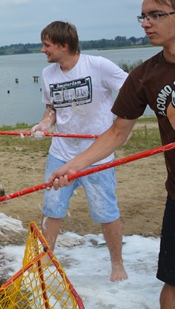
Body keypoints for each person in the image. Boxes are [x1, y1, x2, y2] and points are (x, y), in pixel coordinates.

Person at [48, 0, 175, 308]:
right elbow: (117, 132)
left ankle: (117, 262)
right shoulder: (145, 75)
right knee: (172, 285)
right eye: (143, 16)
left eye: (156, 15)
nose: (145, 23)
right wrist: (73, 166)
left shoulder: (99, 65)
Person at [30, 20, 129, 283]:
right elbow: (51, 109)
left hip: (98, 154)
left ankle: (117, 264)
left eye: (47, 45)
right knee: (52, 208)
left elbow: (132, 90)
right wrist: (44, 124)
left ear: (64, 45)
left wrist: (121, 123)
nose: (42, 50)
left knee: (105, 211)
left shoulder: (98, 65)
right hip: (61, 153)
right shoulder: (48, 74)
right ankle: (45, 261)